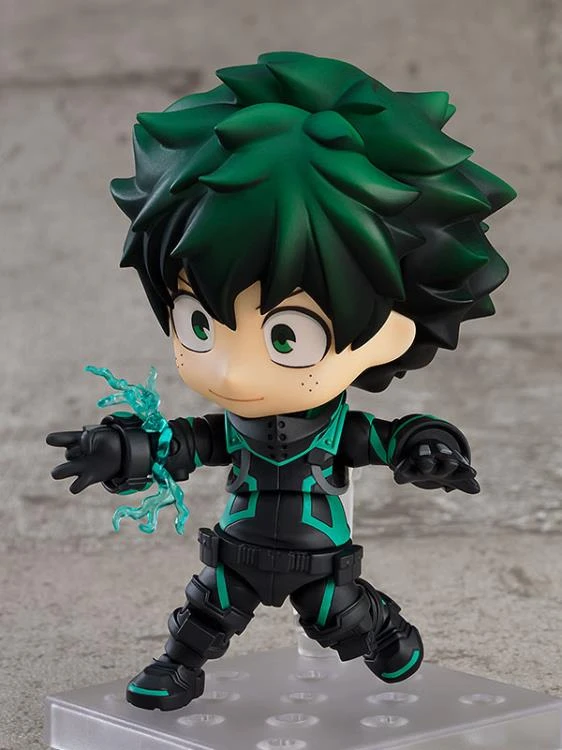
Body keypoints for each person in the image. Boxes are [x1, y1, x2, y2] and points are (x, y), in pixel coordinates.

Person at [47, 51, 515, 711]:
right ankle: (178, 669)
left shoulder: (334, 429)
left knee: (343, 618)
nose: (234, 370)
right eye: (199, 323)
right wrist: (126, 450)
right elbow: (186, 444)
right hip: (236, 552)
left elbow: (388, 437)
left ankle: (384, 631)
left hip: (321, 562)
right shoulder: (233, 426)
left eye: (286, 338)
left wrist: (428, 448)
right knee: (205, 614)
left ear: (392, 329)